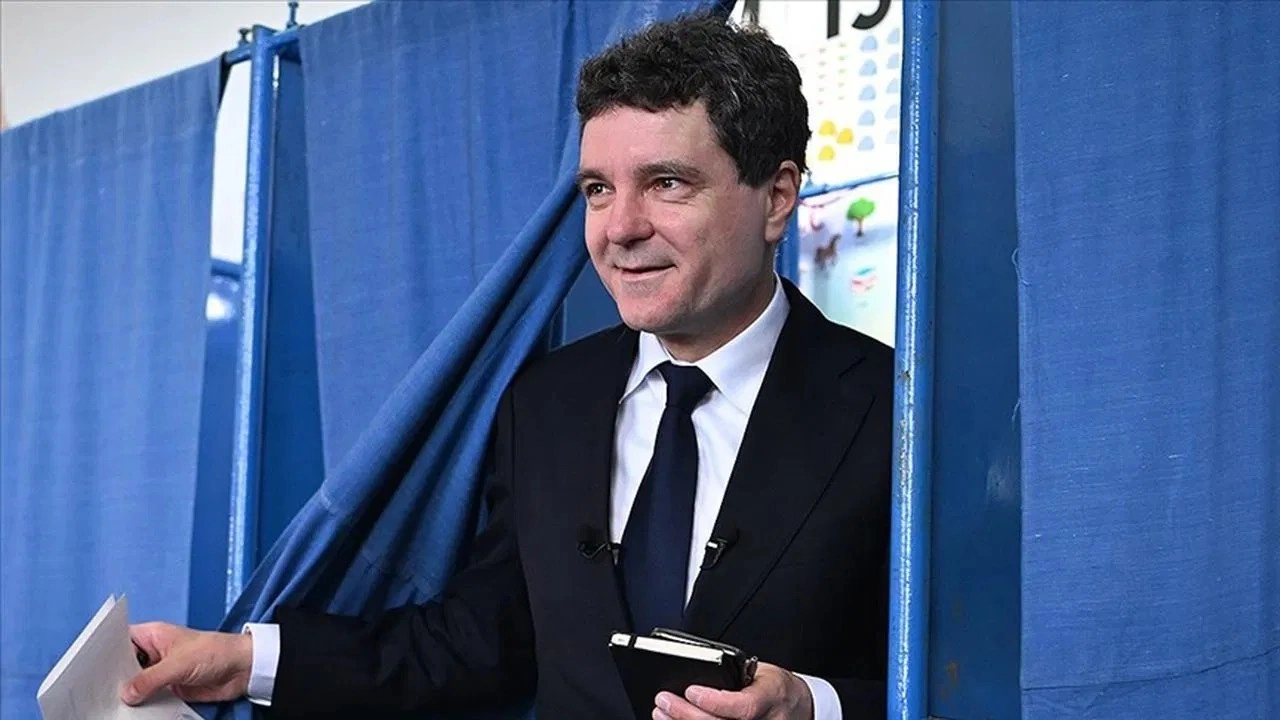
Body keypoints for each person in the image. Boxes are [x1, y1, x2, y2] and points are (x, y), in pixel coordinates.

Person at [122, 11, 891, 720]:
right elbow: (479, 641)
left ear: (776, 197)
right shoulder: (547, 402)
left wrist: (813, 706)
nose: (620, 228)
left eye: (667, 183)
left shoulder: (893, 410)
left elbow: (954, 671)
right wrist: (244, 661)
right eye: (598, 190)